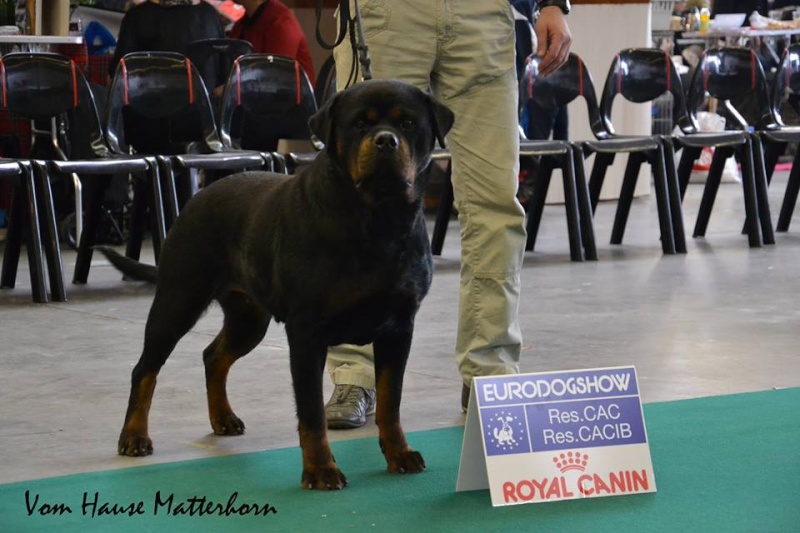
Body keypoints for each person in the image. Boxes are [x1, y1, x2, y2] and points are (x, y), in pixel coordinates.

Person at [324, 0, 572, 429]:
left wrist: (551, 3)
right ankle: (353, 373)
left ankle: (489, 373)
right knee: (357, 197)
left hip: (483, 14)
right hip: (389, 13)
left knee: (496, 202)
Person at [110, 0, 226, 87]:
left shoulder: (137, 16)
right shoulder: (211, 15)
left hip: (149, 113)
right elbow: (223, 83)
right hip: (206, 114)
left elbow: (116, 80)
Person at [229, 0, 316, 85]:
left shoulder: (281, 22)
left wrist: (231, 88)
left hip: (290, 96)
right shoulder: (241, 26)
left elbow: (275, 77)